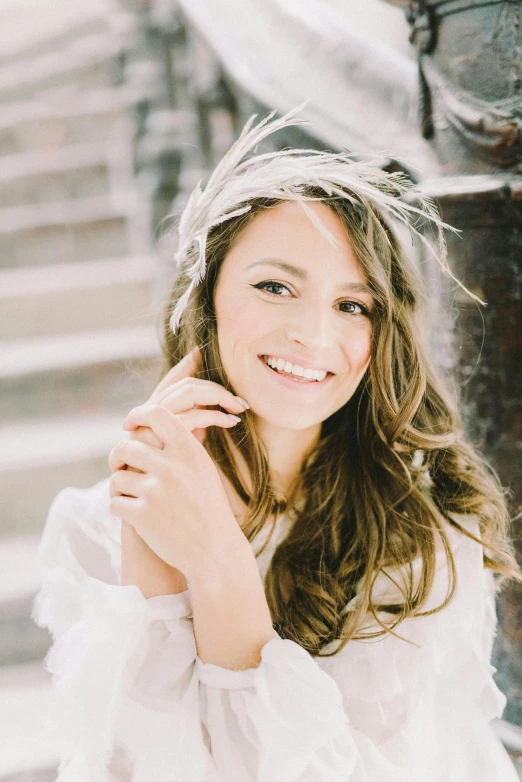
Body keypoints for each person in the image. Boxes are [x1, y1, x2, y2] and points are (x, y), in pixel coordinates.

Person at [32, 104, 522, 781]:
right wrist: (151, 549)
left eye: (352, 305)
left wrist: (219, 565)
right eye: (274, 286)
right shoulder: (92, 525)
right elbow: (132, 766)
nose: (313, 336)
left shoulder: (423, 536)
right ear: (205, 301)